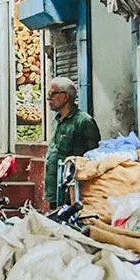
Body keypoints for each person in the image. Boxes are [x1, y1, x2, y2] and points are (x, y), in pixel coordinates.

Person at [45, 76, 100, 205]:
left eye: (52, 93)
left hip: (72, 192)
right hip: (55, 190)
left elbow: (91, 158)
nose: (48, 98)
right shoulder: (57, 120)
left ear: (65, 97)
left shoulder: (83, 122)